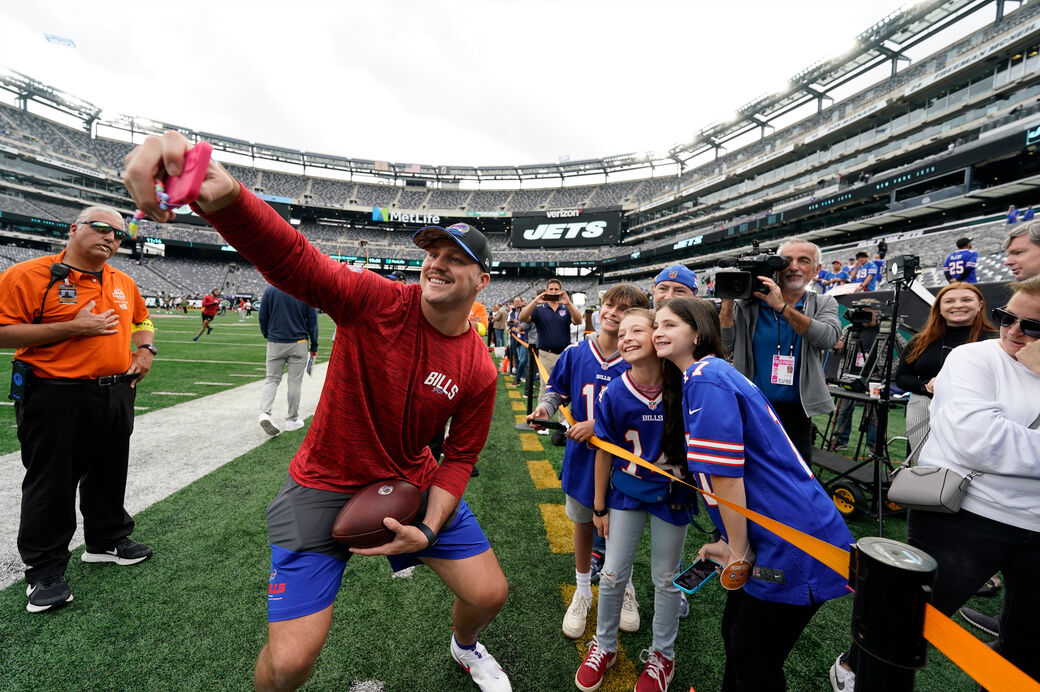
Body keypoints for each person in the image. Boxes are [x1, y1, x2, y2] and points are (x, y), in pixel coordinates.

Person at [124, 133, 511, 692]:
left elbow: (462, 456)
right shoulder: (378, 300)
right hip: (325, 479)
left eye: (457, 260)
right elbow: (298, 262)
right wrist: (227, 193)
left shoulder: (478, 367)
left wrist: (427, 528)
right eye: (433, 254)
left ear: (483, 281)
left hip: (410, 480)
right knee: (289, 664)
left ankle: (465, 646)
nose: (438, 265)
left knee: (489, 593)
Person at [830, 276, 1040, 691]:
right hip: (963, 511)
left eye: (1033, 326)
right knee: (907, 622)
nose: (1015, 332)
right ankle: (854, 671)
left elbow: (999, 443)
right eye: (1007, 318)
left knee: (1030, 643)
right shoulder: (972, 358)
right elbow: (980, 442)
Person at [655, 297, 853, 692]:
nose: (659, 332)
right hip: (778, 527)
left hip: (791, 535)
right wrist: (730, 541)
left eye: (670, 324)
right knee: (736, 635)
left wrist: (738, 550)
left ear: (698, 332)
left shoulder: (707, 377)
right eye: (656, 324)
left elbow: (726, 477)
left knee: (753, 655)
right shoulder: (707, 374)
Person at [0, 204, 156, 613]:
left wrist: (145, 349)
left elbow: (142, 320)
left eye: (119, 234)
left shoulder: (123, 280)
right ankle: (44, 570)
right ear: (74, 229)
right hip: (54, 392)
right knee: (51, 480)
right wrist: (73, 327)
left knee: (109, 470)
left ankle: (105, 540)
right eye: (102, 228)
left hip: (116, 390)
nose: (111, 238)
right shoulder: (28, 275)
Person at [575, 308, 695, 692]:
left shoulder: (684, 385)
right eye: (621, 331)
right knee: (611, 573)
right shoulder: (615, 391)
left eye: (636, 330)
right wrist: (598, 506)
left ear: (657, 335)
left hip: (673, 494)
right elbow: (605, 451)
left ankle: (663, 656)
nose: (625, 337)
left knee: (665, 578)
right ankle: (605, 645)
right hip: (626, 491)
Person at [527, 284, 649, 641]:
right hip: (583, 459)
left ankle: (625, 585)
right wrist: (545, 408)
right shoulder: (577, 351)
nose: (613, 312)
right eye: (610, 304)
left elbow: (648, 409)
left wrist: (599, 424)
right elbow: (557, 390)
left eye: (625, 308)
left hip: (627, 460)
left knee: (623, 529)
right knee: (583, 523)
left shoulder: (642, 356)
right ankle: (582, 589)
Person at [720, 240, 841, 463]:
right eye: (787, 261)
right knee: (750, 471)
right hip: (752, 406)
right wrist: (728, 302)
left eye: (803, 261)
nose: (793, 266)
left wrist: (782, 308)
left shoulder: (823, 302)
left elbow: (827, 338)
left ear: (816, 270)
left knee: (796, 475)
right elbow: (725, 345)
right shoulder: (748, 305)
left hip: (797, 410)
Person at [895, 282, 995, 452]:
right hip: (923, 407)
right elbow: (902, 378)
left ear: (979, 305)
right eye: (949, 301)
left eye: (966, 299)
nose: (958, 305)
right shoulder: (920, 341)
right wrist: (925, 385)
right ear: (939, 308)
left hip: (975, 411)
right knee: (924, 466)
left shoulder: (995, 341)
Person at [258, 284, 319, 436]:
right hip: (298, 342)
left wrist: (268, 334)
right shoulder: (304, 290)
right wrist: (314, 344)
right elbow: (313, 321)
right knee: (294, 383)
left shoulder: (270, 289)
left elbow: (262, 315)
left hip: (275, 342)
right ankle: (292, 419)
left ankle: (265, 413)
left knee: (271, 380)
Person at [518, 278, 583, 402]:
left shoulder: (566, 308)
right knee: (545, 387)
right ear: (546, 291)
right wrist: (535, 301)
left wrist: (568, 303)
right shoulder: (539, 308)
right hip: (546, 354)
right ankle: (541, 419)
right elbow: (522, 317)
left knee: (564, 387)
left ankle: (563, 421)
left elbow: (578, 320)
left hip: (564, 354)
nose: (553, 292)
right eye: (551, 289)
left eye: (556, 289)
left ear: (561, 291)